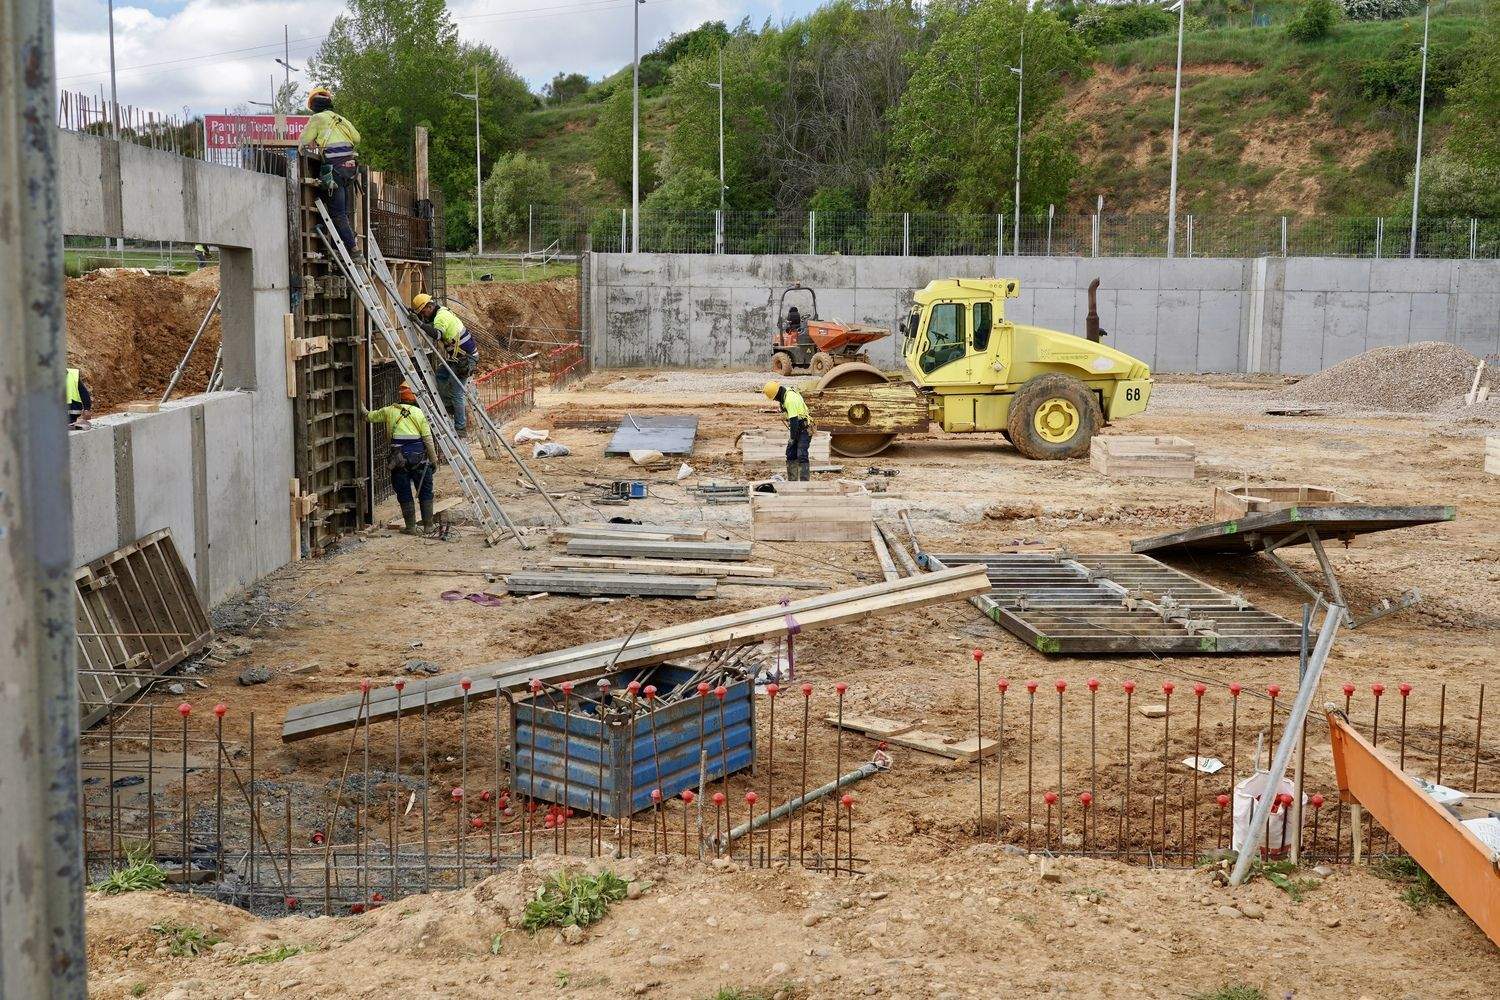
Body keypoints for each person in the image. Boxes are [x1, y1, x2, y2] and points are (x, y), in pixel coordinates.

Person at [364, 382, 440, 534]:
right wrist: (434, 460)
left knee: (403, 491)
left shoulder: (389, 411)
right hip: (419, 459)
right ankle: (428, 526)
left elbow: (368, 416)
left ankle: (411, 527)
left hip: (398, 460)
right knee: (425, 490)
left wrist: (360, 405)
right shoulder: (420, 413)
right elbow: (428, 439)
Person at [297, 86, 361, 253]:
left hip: (335, 170)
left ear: (313, 106)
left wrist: (315, 140)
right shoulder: (341, 119)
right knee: (341, 209)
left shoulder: (317, 119)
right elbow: (357, 138)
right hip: (350, 169)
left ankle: (354, 250)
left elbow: (303, 139)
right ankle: (337, 237)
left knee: (337, 212)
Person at [411, 292, 479, 438]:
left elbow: (437, 334)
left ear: (430, 306)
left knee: (457, 393)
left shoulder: (441, 317)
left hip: (466, 359)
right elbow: (430, 324)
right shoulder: (439, 313)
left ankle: (460, 428)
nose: (423, 314)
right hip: (458, 357)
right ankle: (449, 406)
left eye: (423, 311)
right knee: (441, 376)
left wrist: (419, 323)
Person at [762, 379, 812, 481]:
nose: (775, 400)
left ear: (777, 394)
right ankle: (792, 481)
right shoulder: (786, 392)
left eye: (775, 398)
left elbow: (794, 421)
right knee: (790, 453)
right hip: (798, 427)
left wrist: (792, 438)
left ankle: (804, 483)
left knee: (801, 454)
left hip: (805, 428)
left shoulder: (790, 400)